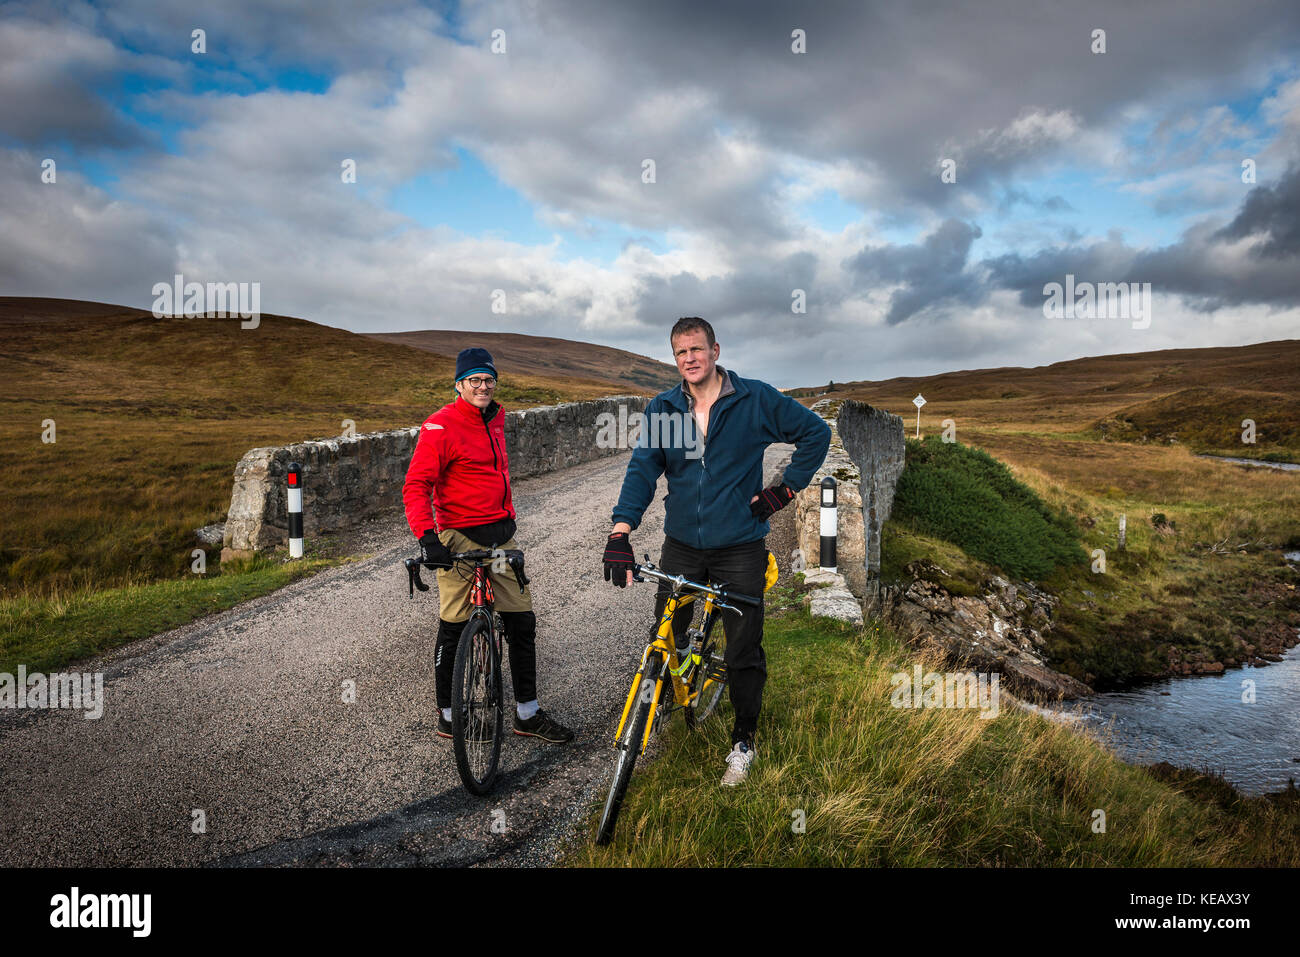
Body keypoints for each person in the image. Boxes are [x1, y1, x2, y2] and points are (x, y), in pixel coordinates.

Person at [603, 317, 830, 786]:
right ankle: (667, 693)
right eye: (681, 352)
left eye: (697, 349)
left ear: (715, 350)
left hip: (740, 547)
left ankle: (743, 741)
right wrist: (620, 532)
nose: (690, 358)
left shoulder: (756, 399)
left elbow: (816, 434)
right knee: (666, 633)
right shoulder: (664, 409)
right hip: (682, 545)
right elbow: (643, 470)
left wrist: (781, 493)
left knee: (744, 650)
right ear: (675, 358)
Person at [403, 347, 574, 744]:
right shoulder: (439, 427)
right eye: (474, 380)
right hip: (459, 535)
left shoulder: (495, 418)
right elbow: (416, 486)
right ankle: (448, 715)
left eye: (489, 380)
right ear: (459, 384)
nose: (483, 386)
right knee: (454, 623)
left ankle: (527, 714)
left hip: (501, 535)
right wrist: (428, 538)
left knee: (521, 620)